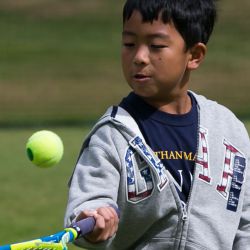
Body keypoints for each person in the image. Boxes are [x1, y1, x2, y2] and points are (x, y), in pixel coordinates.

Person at [64, 0, 250, 249]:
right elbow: (89, 202)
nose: (139, 57)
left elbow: (245, 223)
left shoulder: (229, 131)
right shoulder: (112, 134)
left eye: (156, 46)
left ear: (194, 56)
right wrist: (92, 219)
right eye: (129, 44)